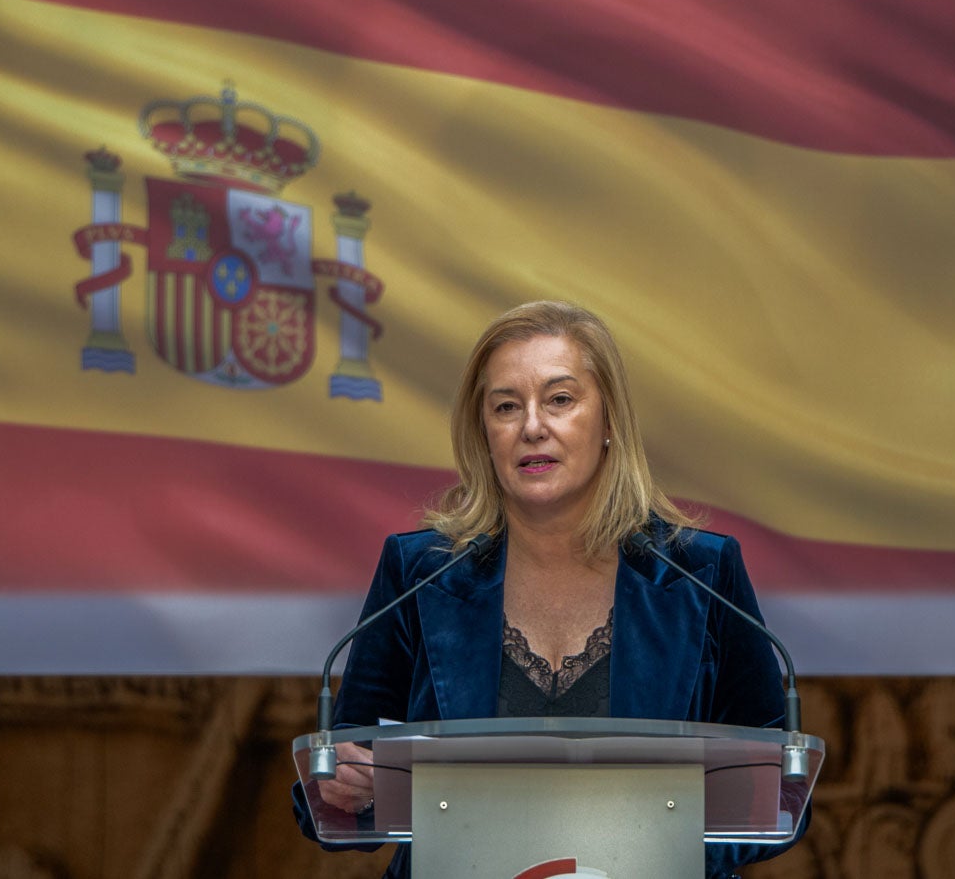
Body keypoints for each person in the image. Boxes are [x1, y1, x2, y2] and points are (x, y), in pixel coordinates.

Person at [293, 300, 802, 878]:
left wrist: (660, 853)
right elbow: (336, 796)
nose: (532, 425)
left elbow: (779, 794)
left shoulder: (700, 574)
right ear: (484, 433)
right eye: (507, 406)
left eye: (560, 399)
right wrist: (347, 789)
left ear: (609, 421)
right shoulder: (419, 574)